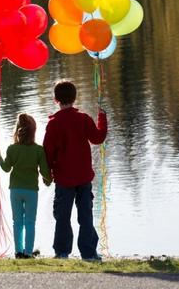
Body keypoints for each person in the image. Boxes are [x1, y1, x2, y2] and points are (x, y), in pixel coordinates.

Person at [43, 80, 107, 261]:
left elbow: (47, 152)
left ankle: (62, 252)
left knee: (63, 216)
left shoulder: (54, 124)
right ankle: (89, 254)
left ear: (56, 99)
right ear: (75, 97)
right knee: (85, 215)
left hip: (64, 179)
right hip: (84, 178)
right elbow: (98, 138)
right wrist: (102, 119)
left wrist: (46, 174)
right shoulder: (83, 119)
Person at [0, 113, 52, 259]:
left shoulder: (12, 149)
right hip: (31, 191)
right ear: (33, 132)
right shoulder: (38, 150)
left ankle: (18, 252)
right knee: (30, 222)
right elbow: (45, 172)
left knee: (17, 221)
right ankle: (28, 252)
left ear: (18, 130)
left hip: (15, 190)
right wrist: (49, 180)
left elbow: (6, 168)